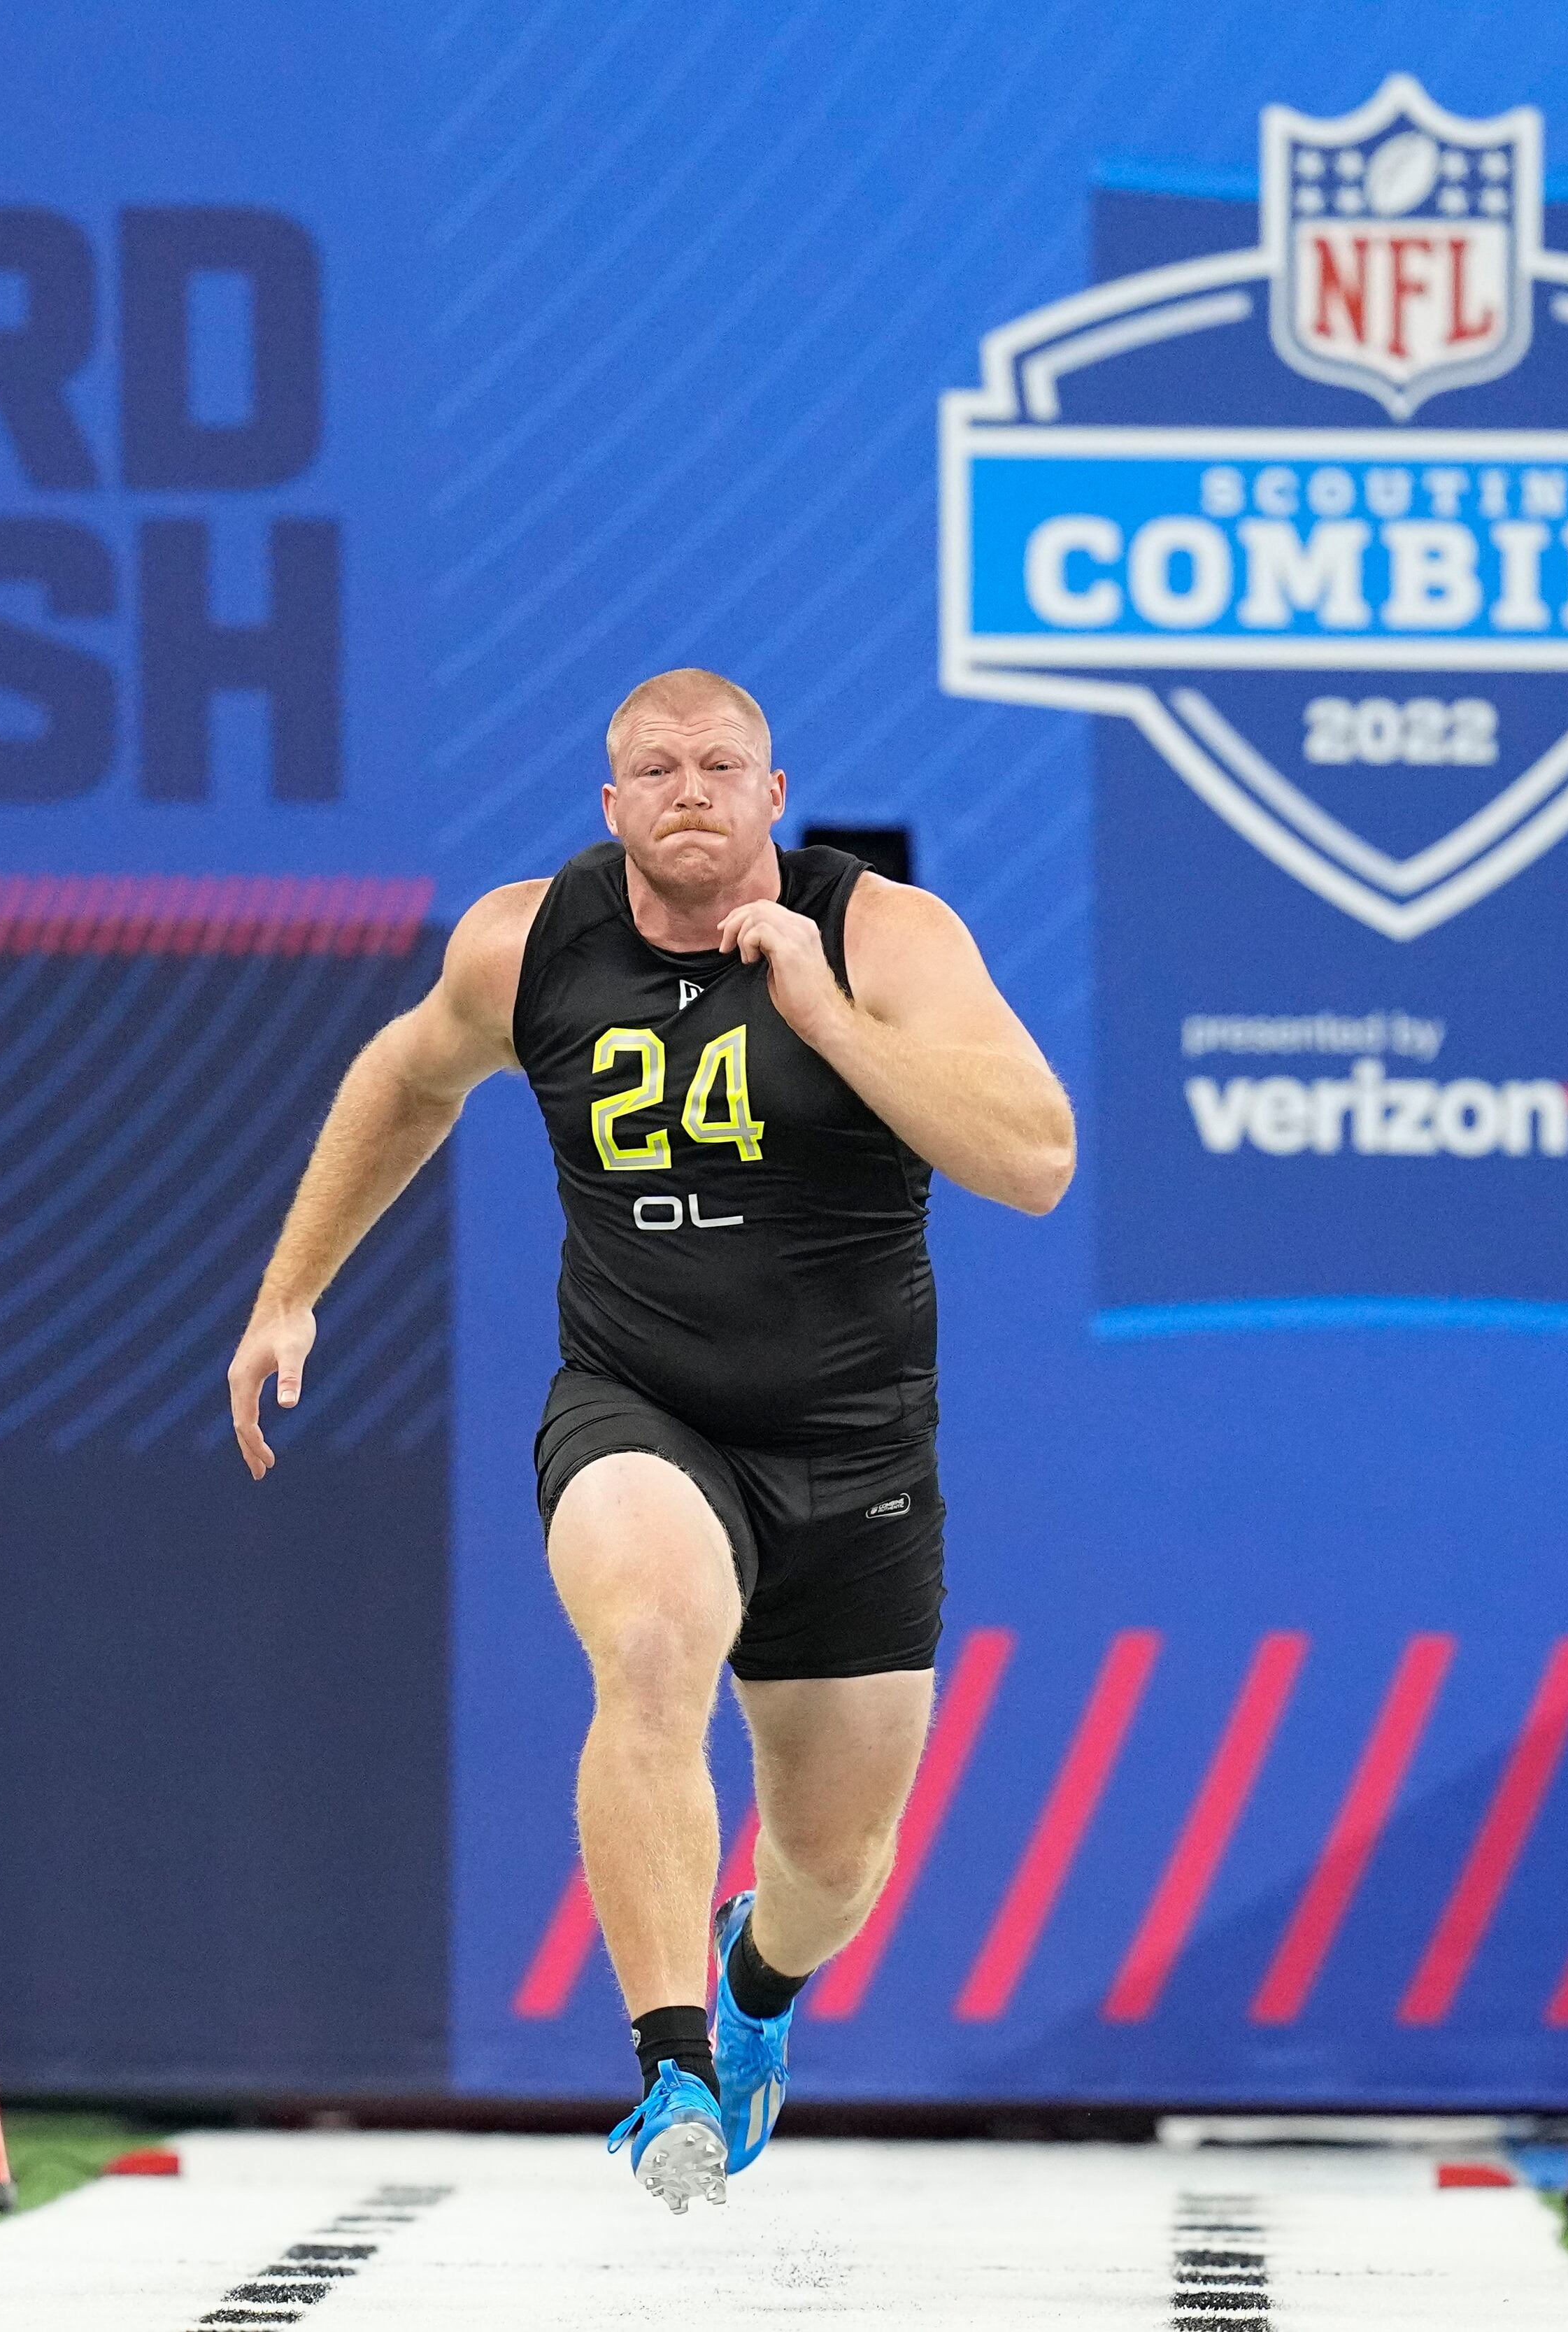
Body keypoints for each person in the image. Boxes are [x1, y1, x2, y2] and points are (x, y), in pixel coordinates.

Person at [228, 668, 1072, 2210]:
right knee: (651, 1641)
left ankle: (754, 1984)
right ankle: (673, 2059)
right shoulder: (527, 941)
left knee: (836, 1862)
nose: (690, 789)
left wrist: (824, 1013)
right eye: (657, 768)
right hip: (643, 1402)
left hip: (854, 1444)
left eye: (721, 765)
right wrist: (292, 1288)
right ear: (611, 802)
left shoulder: (882, 934)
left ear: (774, 795)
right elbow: (406, 1075)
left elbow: (1034, 1157)